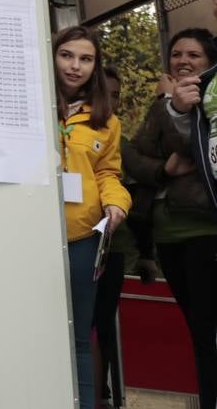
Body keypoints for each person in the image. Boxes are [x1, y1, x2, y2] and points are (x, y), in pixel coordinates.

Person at [128, 28, 217, 409]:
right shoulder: (162, 104)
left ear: (210, 61)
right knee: (198, 332)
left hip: (205, 231)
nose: (183, 61)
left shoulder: (207, 101)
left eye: (193, 55)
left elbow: (193, 148)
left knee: (208, 332)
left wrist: (179, 108)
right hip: (167, 234)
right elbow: (133, 157)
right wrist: (163, 169)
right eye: (176, 54)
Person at [52, 26, 130, 409]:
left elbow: (107, 173)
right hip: (28, 236)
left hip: (82, 238)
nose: (75, 66)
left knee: (80, 338)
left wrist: (117, 204)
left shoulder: (106, 120)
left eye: (85, 59)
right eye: (66, 55)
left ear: (95, 67)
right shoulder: (27, 106)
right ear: (52, 56)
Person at [95, 65, 157, 409]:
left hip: (112, 249)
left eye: (116, 94)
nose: (110, 100)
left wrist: (146, 253)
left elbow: (140, 191)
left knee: (102, 325)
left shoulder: (121, 139)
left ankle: (101, 395)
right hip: (73, 244)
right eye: (104, 92)